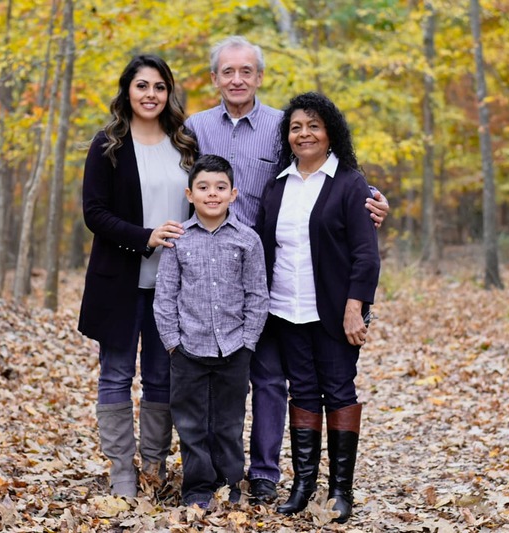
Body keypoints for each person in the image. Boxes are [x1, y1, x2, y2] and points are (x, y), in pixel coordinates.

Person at [185, 35, 390, 505]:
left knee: (308, 383)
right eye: (227, 71)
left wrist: (372, 200)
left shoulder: (283, 126)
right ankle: (288, 482)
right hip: (255, 289)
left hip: (305, 293)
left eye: (246, 71)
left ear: (259, 76)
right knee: (278, 382)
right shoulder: (196, 129)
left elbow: (340, 186)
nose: (237, 79)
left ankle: (303, 483)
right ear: (216, 77)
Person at [256, 92, 381, 523]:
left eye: (313, 126)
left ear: (330, 133)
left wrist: (355, 307)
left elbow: (366, 254)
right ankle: (303, 484)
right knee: (303, 393)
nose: (304, 133)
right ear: (287, 136)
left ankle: (340, 491)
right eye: (296, 127)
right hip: (285, 310)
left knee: (339, 392)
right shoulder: (277, 184)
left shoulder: (349, 183)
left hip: (334, 311)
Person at [77, 54, 198, 499]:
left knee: (162, 377)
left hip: (173, 285)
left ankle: (154, 463)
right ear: (127, 90)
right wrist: (145, 237)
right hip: (120, 280)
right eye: (142, 86)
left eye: (160, 87)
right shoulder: (107, 144)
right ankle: (120, 470)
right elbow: (95, 214)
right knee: (115, 374)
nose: (151, 95)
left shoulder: (185, 145)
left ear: (169, 93)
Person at [153, 154, 270, 508]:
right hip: (188, 348)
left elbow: (257, 295)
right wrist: (173, 342)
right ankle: (199, 489)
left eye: (220, 187)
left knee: (228, 424)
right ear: (190, 194)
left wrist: (248, 341)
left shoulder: (247, 240)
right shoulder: (178, 239)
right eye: (203, 187)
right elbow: (165, 296)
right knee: (191, 424)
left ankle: (230, 485)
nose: (212, 194)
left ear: (233, 194)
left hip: (234, 348)